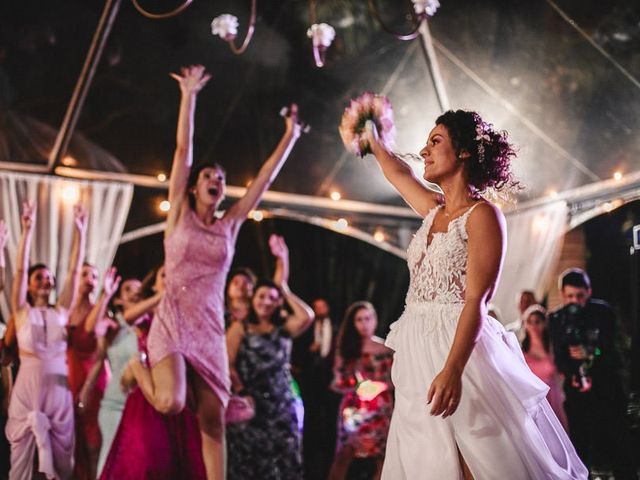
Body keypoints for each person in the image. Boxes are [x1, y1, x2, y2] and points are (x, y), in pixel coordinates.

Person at [364, 110, 587, 479]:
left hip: (459, 350)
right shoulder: (432, 212)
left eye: (435, 141)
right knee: (426, 461)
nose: (423, 151)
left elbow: (476, 300)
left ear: (464, 151)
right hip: (416, 352)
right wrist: (371, 136)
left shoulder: (481, 215)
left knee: (477, 457)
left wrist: (453, 369)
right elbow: (397, 172)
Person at [125, 64, 303, 479]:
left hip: (208, 328)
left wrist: (289, 136)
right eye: (209, 176)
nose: (215, 181)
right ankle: (137, 367)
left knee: (213, 422)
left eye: (220, 178)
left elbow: (262, 179)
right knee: (169, 402)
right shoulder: (179, 218)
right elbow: (182, 154)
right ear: (193, 186)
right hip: (172, 320)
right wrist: (189, 96)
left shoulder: (230, 225)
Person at [100, 265, 206, 479]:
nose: (170, 279)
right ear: (155, 285)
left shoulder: (185, 315)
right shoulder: (147, 317)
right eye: (164, 275)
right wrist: (164, 295)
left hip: (180, 397)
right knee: (147, 461)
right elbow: (127, 318)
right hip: (145, 403)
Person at [6, 202, 87, 479]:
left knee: (63, 460)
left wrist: (81, 232)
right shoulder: (21, 311)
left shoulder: (62, 311)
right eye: (39, 276)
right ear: (29, 284)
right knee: (20, 459)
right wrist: (27, 230)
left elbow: (75, 273)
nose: (45, 280)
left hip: (58, 388)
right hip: (28, 386)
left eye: (49, 277)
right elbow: (18, 272)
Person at [226, 235, 314, 479]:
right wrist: (242, 391)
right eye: (261, 296)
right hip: (252, 403)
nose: (266, 302)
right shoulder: (240, 327)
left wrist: (283, 289)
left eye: (272, 298)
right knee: (250, 461)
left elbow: (307, 316)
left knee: (284, 459)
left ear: (278, 304)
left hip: (282, 403)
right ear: (253, 300)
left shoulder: (284, 327)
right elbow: (229, 364)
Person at [549, 268, 637, 479]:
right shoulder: (556, 318)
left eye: (579, 296)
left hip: (608, 389)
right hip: (578, 394)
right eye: (570, 296)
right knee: (580, 447)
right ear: (562, 294)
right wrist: (572, 372)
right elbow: (559, 358)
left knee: (619, 445)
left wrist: (592, 352)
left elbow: (612, 348)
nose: (575, 301)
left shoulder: (602, 312)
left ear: (588, 292)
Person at [328, 301, 393, 480]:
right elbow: (338, 381)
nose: (364, 324)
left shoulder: (387, 348)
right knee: (344, 454)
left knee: (383, 458)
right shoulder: (347, 349)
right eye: (359, 320)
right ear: (352, 323)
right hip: (354, 409)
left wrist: (381, 386)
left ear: (375, 320)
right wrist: (357, 387)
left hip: (381, 409)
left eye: (368, 318)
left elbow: (398, 379)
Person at [67, 262, 111, 480]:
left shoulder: (100, 312)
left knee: (92, 440)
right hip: (68, 379)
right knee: (71, 443)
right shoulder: (65, 310)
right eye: (84, 274)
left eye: (94, 275)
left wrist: (105, 296)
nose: (89, 279)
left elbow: (100, 354)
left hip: (94, 380)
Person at [291, 296, 339, 480]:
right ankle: (310, 447)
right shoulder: (307, 327)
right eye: (316, 306)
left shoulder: (335, 326)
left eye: (322, 306)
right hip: (310, 376)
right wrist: (307, 352)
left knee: (329, 413)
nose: (319, 309)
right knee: (311, 411)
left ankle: (327, 445)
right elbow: (298, 350)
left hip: (329, 375)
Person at [521, 304, 568, 431]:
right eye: (529, 322)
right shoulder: (521, 351)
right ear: (525, 324)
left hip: (553, 396)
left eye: (537, 322)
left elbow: (562, 372)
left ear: (544, 323)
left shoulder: (552, 347)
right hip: (534, 398)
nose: (533, 326)